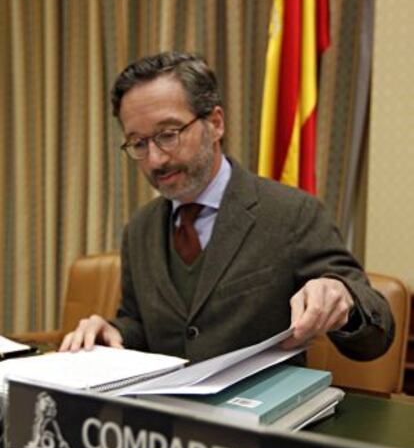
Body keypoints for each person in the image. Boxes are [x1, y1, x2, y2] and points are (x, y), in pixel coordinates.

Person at [60, 51, 394, 363]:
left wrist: (343, 297)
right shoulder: (140, 228)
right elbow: (142, 326)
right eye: (138, 143)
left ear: (215, 123)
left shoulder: (292, 214)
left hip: (262, 417)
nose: (156, 159)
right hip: (167, 418)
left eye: (169, 134)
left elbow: (376, 336)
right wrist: (113, 331)